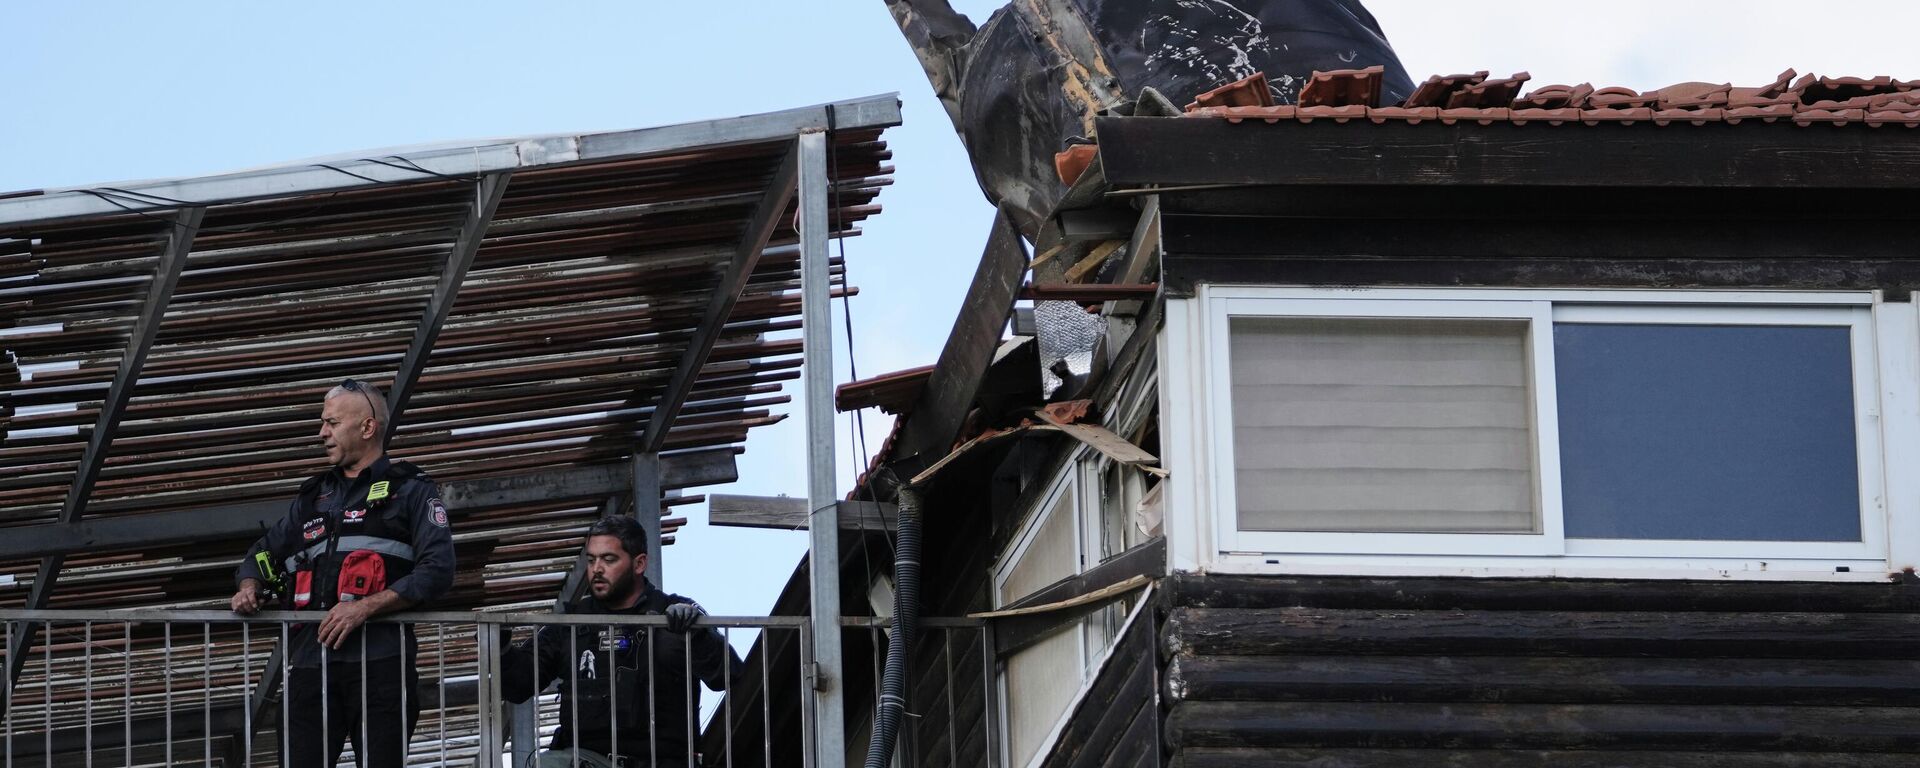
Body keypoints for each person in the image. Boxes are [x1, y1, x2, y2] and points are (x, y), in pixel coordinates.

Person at [229, 379, 456, 768]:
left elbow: (438, 570)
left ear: (367, 428)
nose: (322, 433)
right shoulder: (314, 498)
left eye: (332, 423)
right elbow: (260, 555)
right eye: (323, 423)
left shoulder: (412, 491)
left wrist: (365, 607)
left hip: (382, 666)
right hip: (310, 669)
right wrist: (249, 585)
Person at [502, 515, 742, 767]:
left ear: (639, 564)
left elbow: (729, 675)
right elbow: (520, 685)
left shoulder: (673, 614)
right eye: (591, 559)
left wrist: (696, 633)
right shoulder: (571, 623)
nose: (597, 569)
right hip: (588, 761)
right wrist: (503, 649)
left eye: (609, 559)